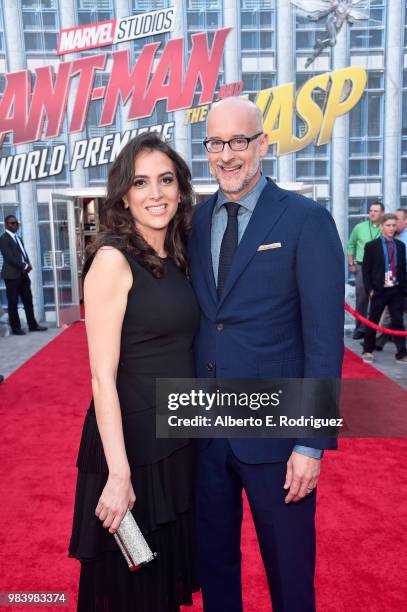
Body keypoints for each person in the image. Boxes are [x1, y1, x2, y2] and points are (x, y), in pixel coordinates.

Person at [188, 97, 344, 612]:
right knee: (215, 569)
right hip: (205, 434)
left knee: (290, 576)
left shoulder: (306, 219)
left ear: (263, 145)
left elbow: (324, 339)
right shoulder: (195, 221)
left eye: (239, 141)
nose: (226, 155)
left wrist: (311, 444)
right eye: (215, 143)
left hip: (278, 441)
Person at [68, 133, 200, 611]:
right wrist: (119, 474)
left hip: (175, 441)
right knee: (131, 588)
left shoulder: (177, 256)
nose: (155, 193)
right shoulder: (111, 260)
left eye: (165, 180)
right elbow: (102, 378)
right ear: (124, 194)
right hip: (132, 450)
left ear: (181, 189)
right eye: (140, 182)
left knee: (160, 582)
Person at [361, 213, 407, 364]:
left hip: (396, 289)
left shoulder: (400, 246)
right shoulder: (371, 246)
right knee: (373, 320)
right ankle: (367, 350)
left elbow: (402, 269)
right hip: (379, 290)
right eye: (388, 225)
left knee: (398, 321)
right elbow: (366, 271)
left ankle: (401, 353)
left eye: (394, 225)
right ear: (381, 227)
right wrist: (370, 290)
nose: (391, 228)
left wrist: (404, 290)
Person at [0, 215, 47, 335]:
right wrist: (24, 266)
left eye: (16, 223)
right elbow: (9, 257)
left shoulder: (18, 238)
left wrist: (28, 264)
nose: (15, 225)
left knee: (28, 301)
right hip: (11, 276)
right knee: (13, 303)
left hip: (23, 275)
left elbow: (23, 254)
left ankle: (33, 325)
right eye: (12, 223)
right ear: (6, 225)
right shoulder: (4, 238)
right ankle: (16, 328)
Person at [347, 201, 383, 339]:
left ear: (382, 213)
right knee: (362, 298)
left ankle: (376, 329)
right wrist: (351, 263)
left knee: (379, 298)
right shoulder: (359, 227)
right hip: (361, 267)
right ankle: (360, 328)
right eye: (371, 211)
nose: (372, 213)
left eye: (376, 211)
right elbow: (351, 245)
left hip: (379, 268)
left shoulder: (385, 228)